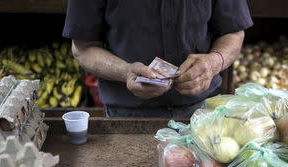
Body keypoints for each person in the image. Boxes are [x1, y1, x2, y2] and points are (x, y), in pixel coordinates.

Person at [63, 0, 253, 118]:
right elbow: (83, 48)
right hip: (127, 116)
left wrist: (214, 62)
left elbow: (233, 33)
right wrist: (125, 71)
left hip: (202, 112)